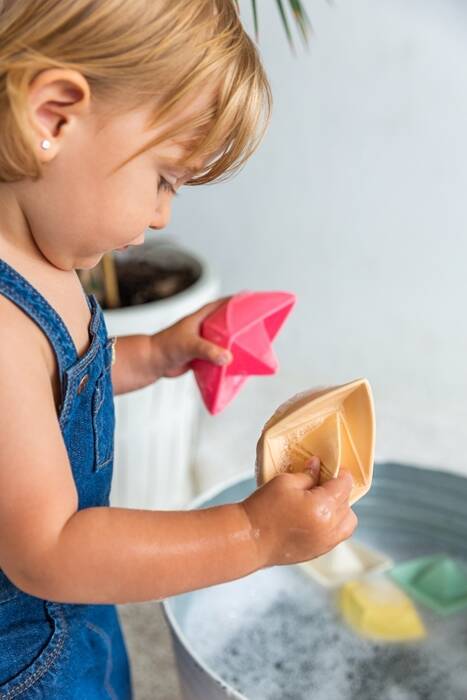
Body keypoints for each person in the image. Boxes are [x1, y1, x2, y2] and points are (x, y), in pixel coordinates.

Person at [0, 1, 357, 697]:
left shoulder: (38, 260)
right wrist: (251, 535)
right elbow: (49, 552)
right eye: (164, 177)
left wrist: (156, 353)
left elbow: (64, 387)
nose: (162, 214)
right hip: (27, 662)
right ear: (53, 117)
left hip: (73, 620)